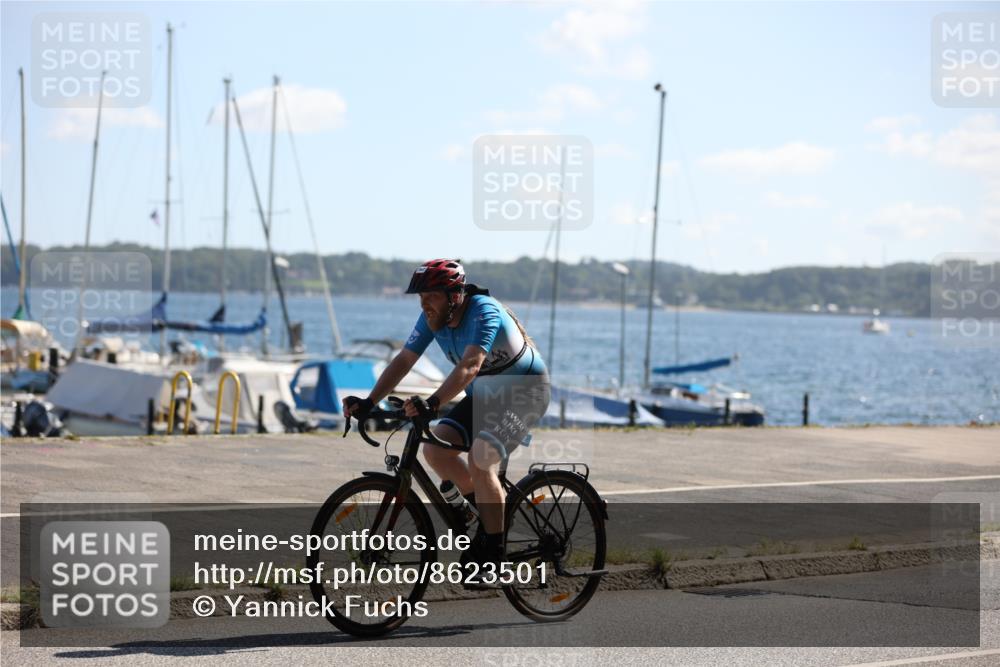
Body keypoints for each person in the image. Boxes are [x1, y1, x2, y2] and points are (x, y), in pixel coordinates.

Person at [343, 258, 550, 570]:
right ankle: (486, 516)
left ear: (454, 296)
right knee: (435, 450)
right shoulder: (432, 318)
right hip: (485, 397)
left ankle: (495, 556)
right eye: (421, 297)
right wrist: (370, 401)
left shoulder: (484, 311)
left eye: (432, 296)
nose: (425, 304)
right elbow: (404, 360)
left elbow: (470, 366)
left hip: (525, 393)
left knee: (480, 459)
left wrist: (433, 403)